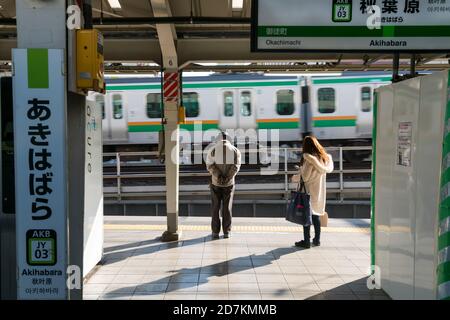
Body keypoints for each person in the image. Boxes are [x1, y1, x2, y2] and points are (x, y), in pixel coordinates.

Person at [291, 136, 334, 248]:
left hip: (309, 191)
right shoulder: (325, 158)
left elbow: (305, 177)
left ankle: (306, 241)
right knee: (316, 216)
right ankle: (317, 240)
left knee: (306, 216)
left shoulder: (309, 159)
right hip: (319, 191)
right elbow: (324, 170)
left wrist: (298, 173)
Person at [206, 131, 241, 239]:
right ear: (229, 139)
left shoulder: (212, 150)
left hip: (215, 183)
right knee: (227, 208)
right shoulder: (235, 150)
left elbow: (210, 165)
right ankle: (227, 232)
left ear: (217, 139)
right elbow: (236, 166)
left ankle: (215, 232)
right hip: (229, 184)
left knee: (215, 207)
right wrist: (227, 178)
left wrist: (218, 177)